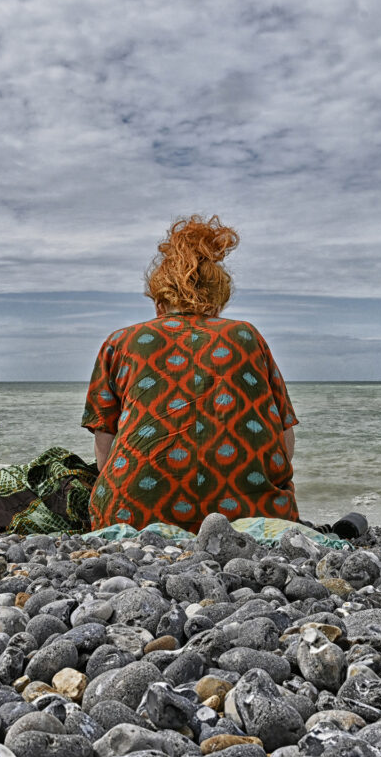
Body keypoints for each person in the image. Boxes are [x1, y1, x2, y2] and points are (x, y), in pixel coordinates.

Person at [81, 214, 299, 532]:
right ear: (218, 300)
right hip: (255, 514)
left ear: (160, 300)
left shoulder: (120, 341)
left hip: (130, 515)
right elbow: (284, 438)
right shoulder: (246, 335)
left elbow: (105, 442)